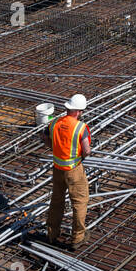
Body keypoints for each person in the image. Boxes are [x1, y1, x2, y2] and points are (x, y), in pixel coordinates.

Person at [44, 94, 91, 252]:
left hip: (57, 168)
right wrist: (80, 157)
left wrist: (55, 149)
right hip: (74, 170)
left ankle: (52, 234)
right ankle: (77, 238)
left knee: (56, 201)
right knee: (79, 203)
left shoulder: (55, 123)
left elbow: (44, 138)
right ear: (78, 112)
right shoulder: (80, 127)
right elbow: (86, 150)